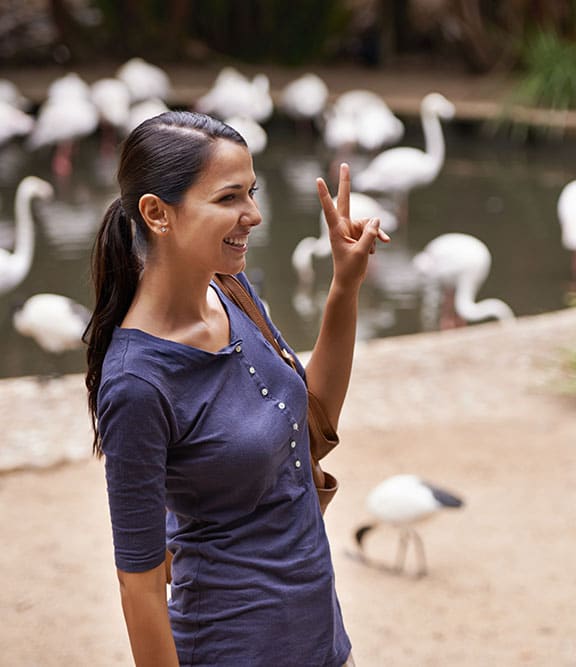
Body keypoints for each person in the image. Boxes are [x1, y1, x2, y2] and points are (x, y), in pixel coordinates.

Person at [84, 110, 388, 666]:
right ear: (157, 213)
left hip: (322, 636)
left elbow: (313, 420)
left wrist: (345, 287)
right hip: (232, 647)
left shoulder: (231, 290)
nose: (254, 215)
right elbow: (141, 588)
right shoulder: (137, 383)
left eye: (252, 192)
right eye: (229, 199)